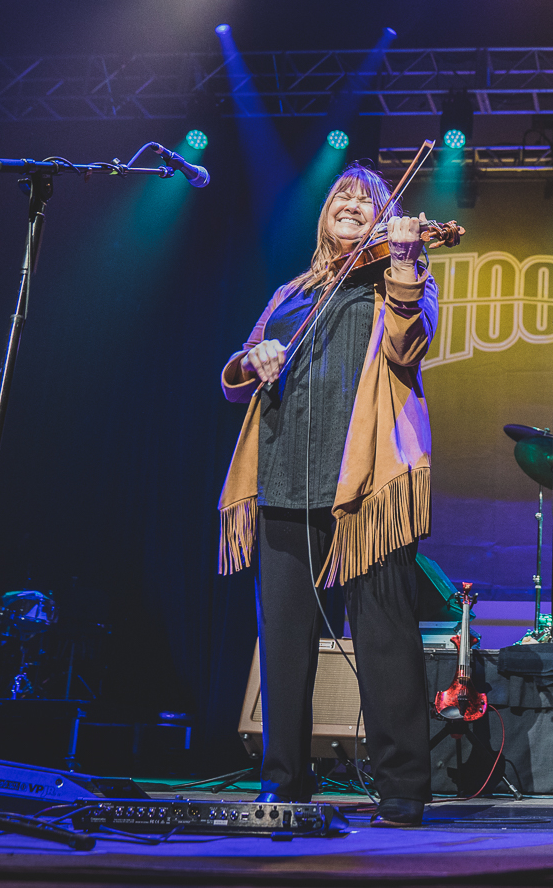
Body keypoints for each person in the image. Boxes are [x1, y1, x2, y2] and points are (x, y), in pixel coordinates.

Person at [216, 162, 438, 828]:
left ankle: (401, 786)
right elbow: (236, 374)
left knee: (384, 639)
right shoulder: (291, 290)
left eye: (365, 200)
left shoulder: (398, 277)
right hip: (282, 480)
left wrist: (404, 258)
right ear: (325, 214)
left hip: (366, 488)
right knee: (282, 643)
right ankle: (284, 780)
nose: (350, 203)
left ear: (382, 220)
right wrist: (253, 361)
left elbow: (408, 346)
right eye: (341, 195)